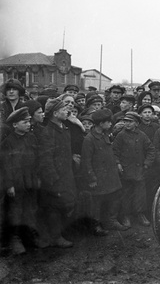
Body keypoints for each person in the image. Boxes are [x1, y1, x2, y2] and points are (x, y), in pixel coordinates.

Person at [1, 108, 48, 254]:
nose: (28, 125)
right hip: (17, 183)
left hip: (30, 180)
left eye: (29, 121)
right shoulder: (8, 142)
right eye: (24, 122)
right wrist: (9, 185)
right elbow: (6, 166)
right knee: (16, 211)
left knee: (31, 209)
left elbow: (37, 160)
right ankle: (15, 239)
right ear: (15, 125)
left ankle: (29, 237)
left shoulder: (31, 138)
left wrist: (38, 178)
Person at [81, 108, 128, 233]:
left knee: (115, 197)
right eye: (108, 122)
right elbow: (86, 161)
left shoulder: (105, 135)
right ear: (101, 124)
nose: (110, 124)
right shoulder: (89, 139)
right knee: (97, 201)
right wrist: (91, 178)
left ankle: (111, 221)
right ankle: (96, 225)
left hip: (111, 175)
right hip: (98, 176)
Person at [38, 97, 76, 248]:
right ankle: (55, 236)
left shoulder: (63, 129)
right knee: (54, 207)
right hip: (55, 178)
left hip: (66, 174)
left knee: (65, 204)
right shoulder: (48, 133)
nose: (67, 111)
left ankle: (59, 233)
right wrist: (53, 181)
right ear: (54, 113)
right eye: (63, 109)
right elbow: (46, 160)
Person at [113, 112, 155, 227]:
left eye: (130, 122)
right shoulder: (121, 135)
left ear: (136, 123)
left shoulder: (142, 135)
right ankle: (126, 216)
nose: (127, 124)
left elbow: (151, 150)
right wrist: (118, 164)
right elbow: (114, 151)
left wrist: (146, 164)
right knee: (126, 193)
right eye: (125, 121)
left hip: (139, 170)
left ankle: (140, 214)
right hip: (125, 170)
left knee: (140, 193)